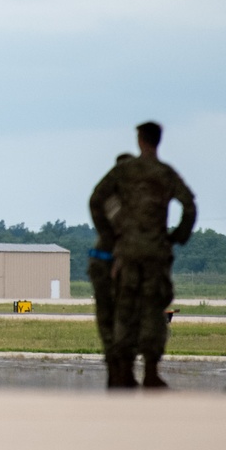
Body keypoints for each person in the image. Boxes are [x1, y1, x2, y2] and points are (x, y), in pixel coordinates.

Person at [89, 122, 196, 389]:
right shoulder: (165, 173)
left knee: (124, 309)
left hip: (128, 252)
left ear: (140, 140)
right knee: (154, 310)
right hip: (156, 252)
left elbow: (96, 200)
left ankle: (124, 370)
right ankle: (150, 370)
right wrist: (176, 237)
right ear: (159, 140)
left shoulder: (124, 171)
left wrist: (112, 236)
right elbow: (189, 206)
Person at [88, 152, 134, 373]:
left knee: (118, 315)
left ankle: (118, 363)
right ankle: (119, 363)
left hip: (120, 260)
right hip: (112, 261)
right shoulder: (121, 200)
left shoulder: (114, 198)